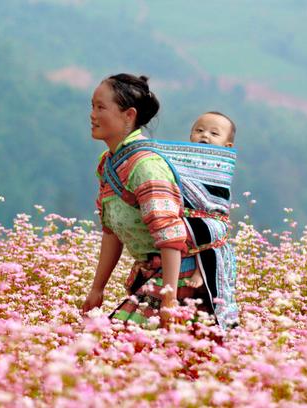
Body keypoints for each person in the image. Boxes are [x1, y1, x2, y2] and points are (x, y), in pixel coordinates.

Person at [82, 73, 237, 329]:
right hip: (153, 278)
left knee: (126, 354)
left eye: (101, 107)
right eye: (92, 106)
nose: (93, 115)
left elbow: (170, 236)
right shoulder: (108, 164)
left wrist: (169, 298)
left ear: (128, 115)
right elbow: (111, 232)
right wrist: (97, 289)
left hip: (182, 284)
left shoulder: (146, 167)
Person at [185, 111, 236, 288]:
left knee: (212, 229)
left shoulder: (221, 171)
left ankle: (202, 269)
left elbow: (218, 203)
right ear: (190, 136)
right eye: (199, 130)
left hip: (209, 217)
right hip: (182, 216)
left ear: (227, 146)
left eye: (214, 133)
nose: (205, 135)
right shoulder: (181, 162)